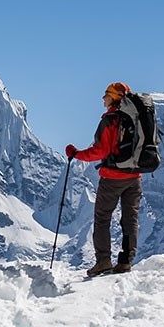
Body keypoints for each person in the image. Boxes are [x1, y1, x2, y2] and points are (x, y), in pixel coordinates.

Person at [65, 82, 142, 276]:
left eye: (106, 95)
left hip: (112, 177)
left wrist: (76, 154)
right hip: (135, 176)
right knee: (130, 219)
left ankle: (103, 261)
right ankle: (126, 261)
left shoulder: (110, 120)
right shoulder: (137, 117)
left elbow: (100, 151)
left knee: (102, 219)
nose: (103, 98)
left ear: (114, 97)